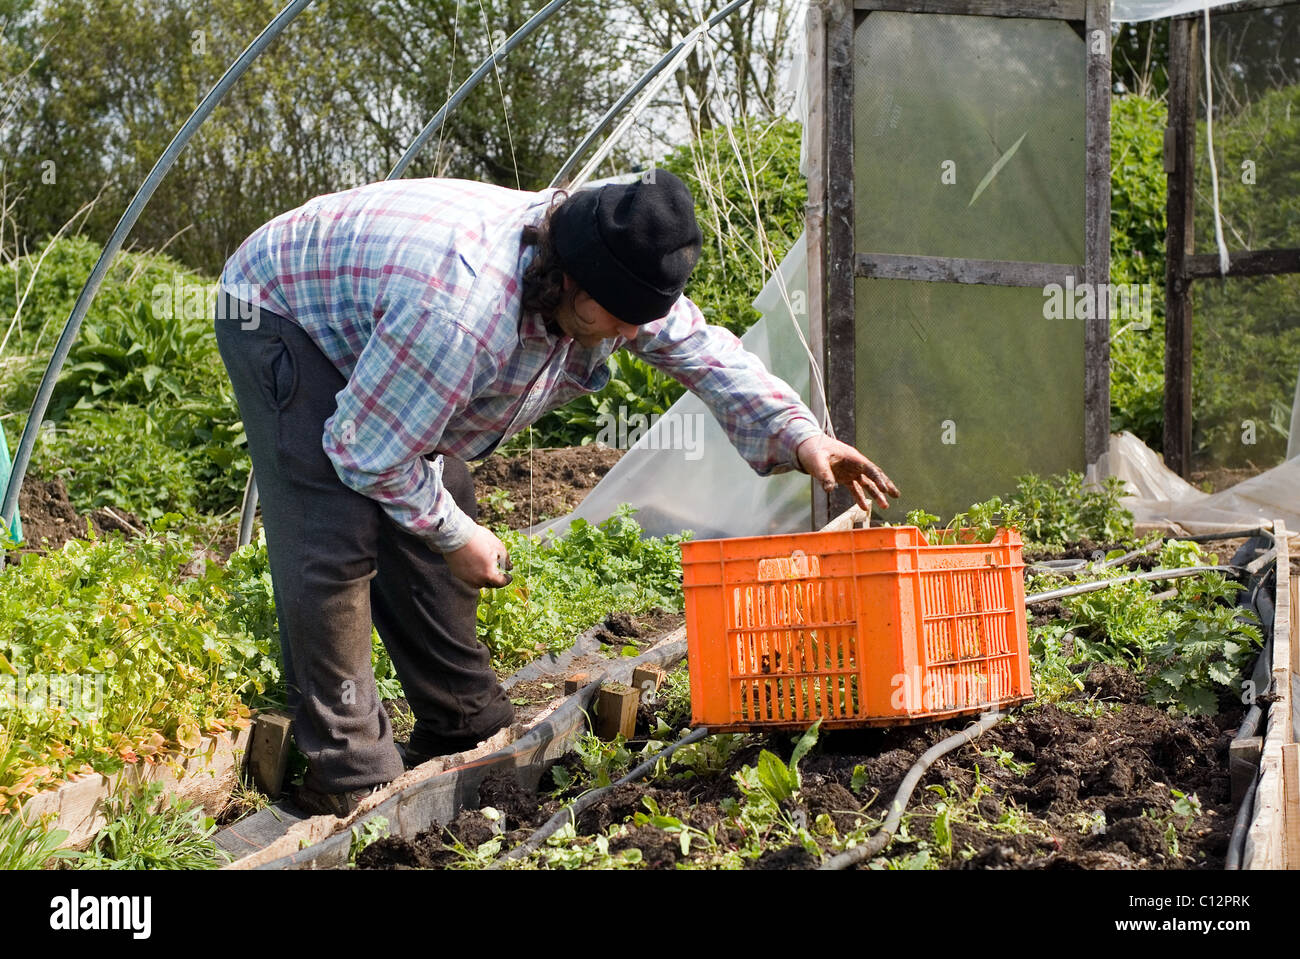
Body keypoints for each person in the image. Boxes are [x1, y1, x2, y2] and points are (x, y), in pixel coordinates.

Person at [215, 169, 899, 816]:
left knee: (438, 483)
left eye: (641, 318)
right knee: (334, 526)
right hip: (283, 309)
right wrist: (456, 536)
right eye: (621, 319)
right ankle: (350, 774)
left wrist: (800, 433)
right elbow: (366, 452)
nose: (632, 335)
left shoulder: (612, 265)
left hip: (383, 307)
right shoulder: (461, 310)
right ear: (567, 281)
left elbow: (703, 351)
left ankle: (461, 718)